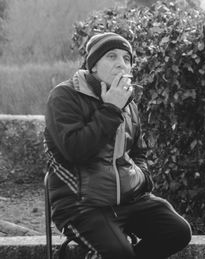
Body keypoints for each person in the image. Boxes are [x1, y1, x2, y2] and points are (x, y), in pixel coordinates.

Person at [44, 32, 192, 259]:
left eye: (127, 59)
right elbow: (75, 150)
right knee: (118, 253)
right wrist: (110, 109)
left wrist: (141, 177)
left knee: (177, 231)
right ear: (93, 66)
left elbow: (138, 151)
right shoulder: (65, 96)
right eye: (111, 56)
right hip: (81, 205)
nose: (121, 65)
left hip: (127, 200)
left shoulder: (128, 103)